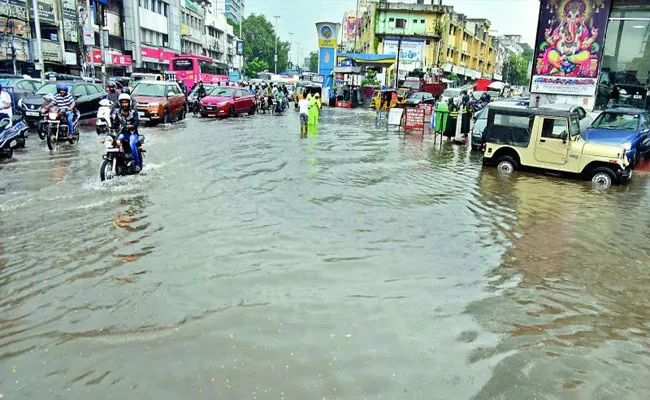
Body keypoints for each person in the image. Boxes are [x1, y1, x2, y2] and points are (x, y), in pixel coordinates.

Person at [114, 93, 142, 173]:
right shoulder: (118, 113)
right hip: (123, 133)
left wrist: (132, 126)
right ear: (120, 103)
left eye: (126, 102)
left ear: (129, 103)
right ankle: (121, 157)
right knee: (117, 141)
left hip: (133, 134)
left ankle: (137, 164)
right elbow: (115, 123)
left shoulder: (133, 113)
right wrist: (112, 127)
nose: (124, 104)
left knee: (132, 144)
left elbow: (137, 122)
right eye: (123, 102)